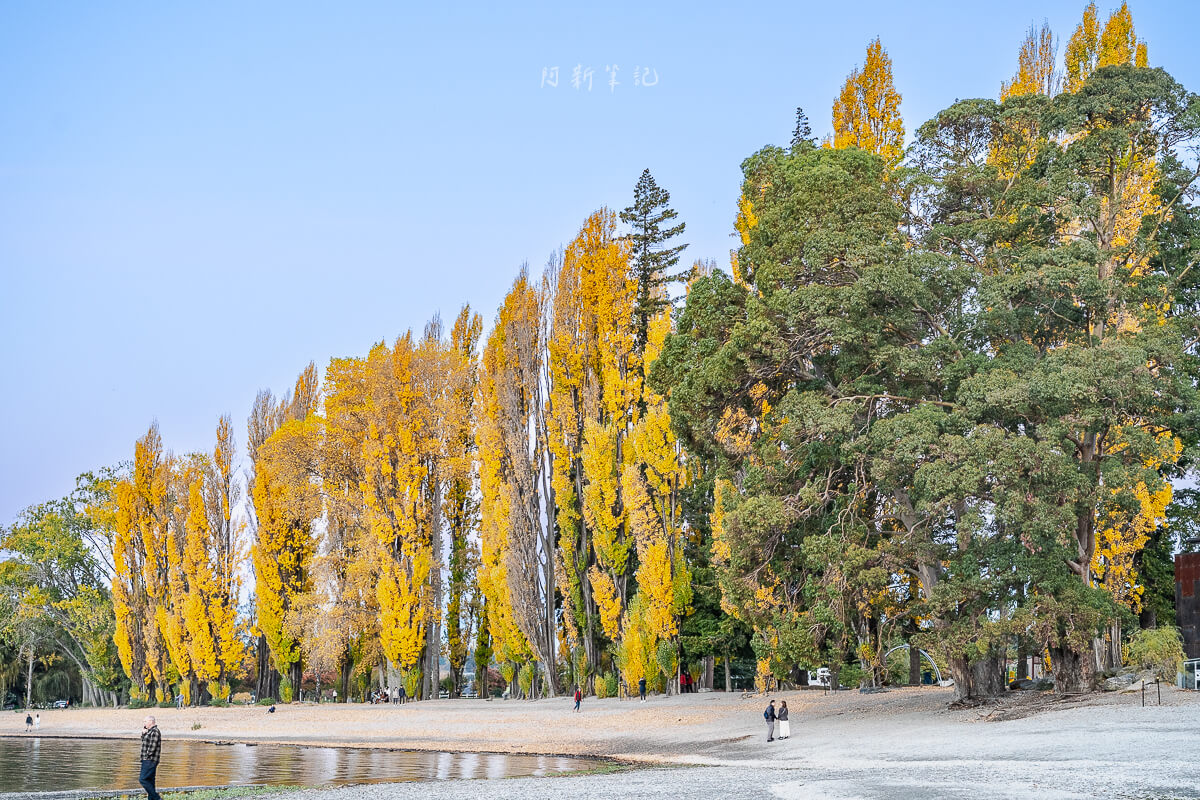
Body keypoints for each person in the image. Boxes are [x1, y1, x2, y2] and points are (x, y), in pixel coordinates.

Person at [139, 715, 163, 800]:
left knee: (143, 779)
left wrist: (147, 756)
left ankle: (157, 798)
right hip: (147, 759)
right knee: (150, 781)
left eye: (145, 721)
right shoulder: (149, 731)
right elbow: (144, 742)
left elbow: (153, 746)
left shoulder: (155, 731)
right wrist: (143, 733)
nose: (144, 723)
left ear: (150, 722)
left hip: (150, 760)